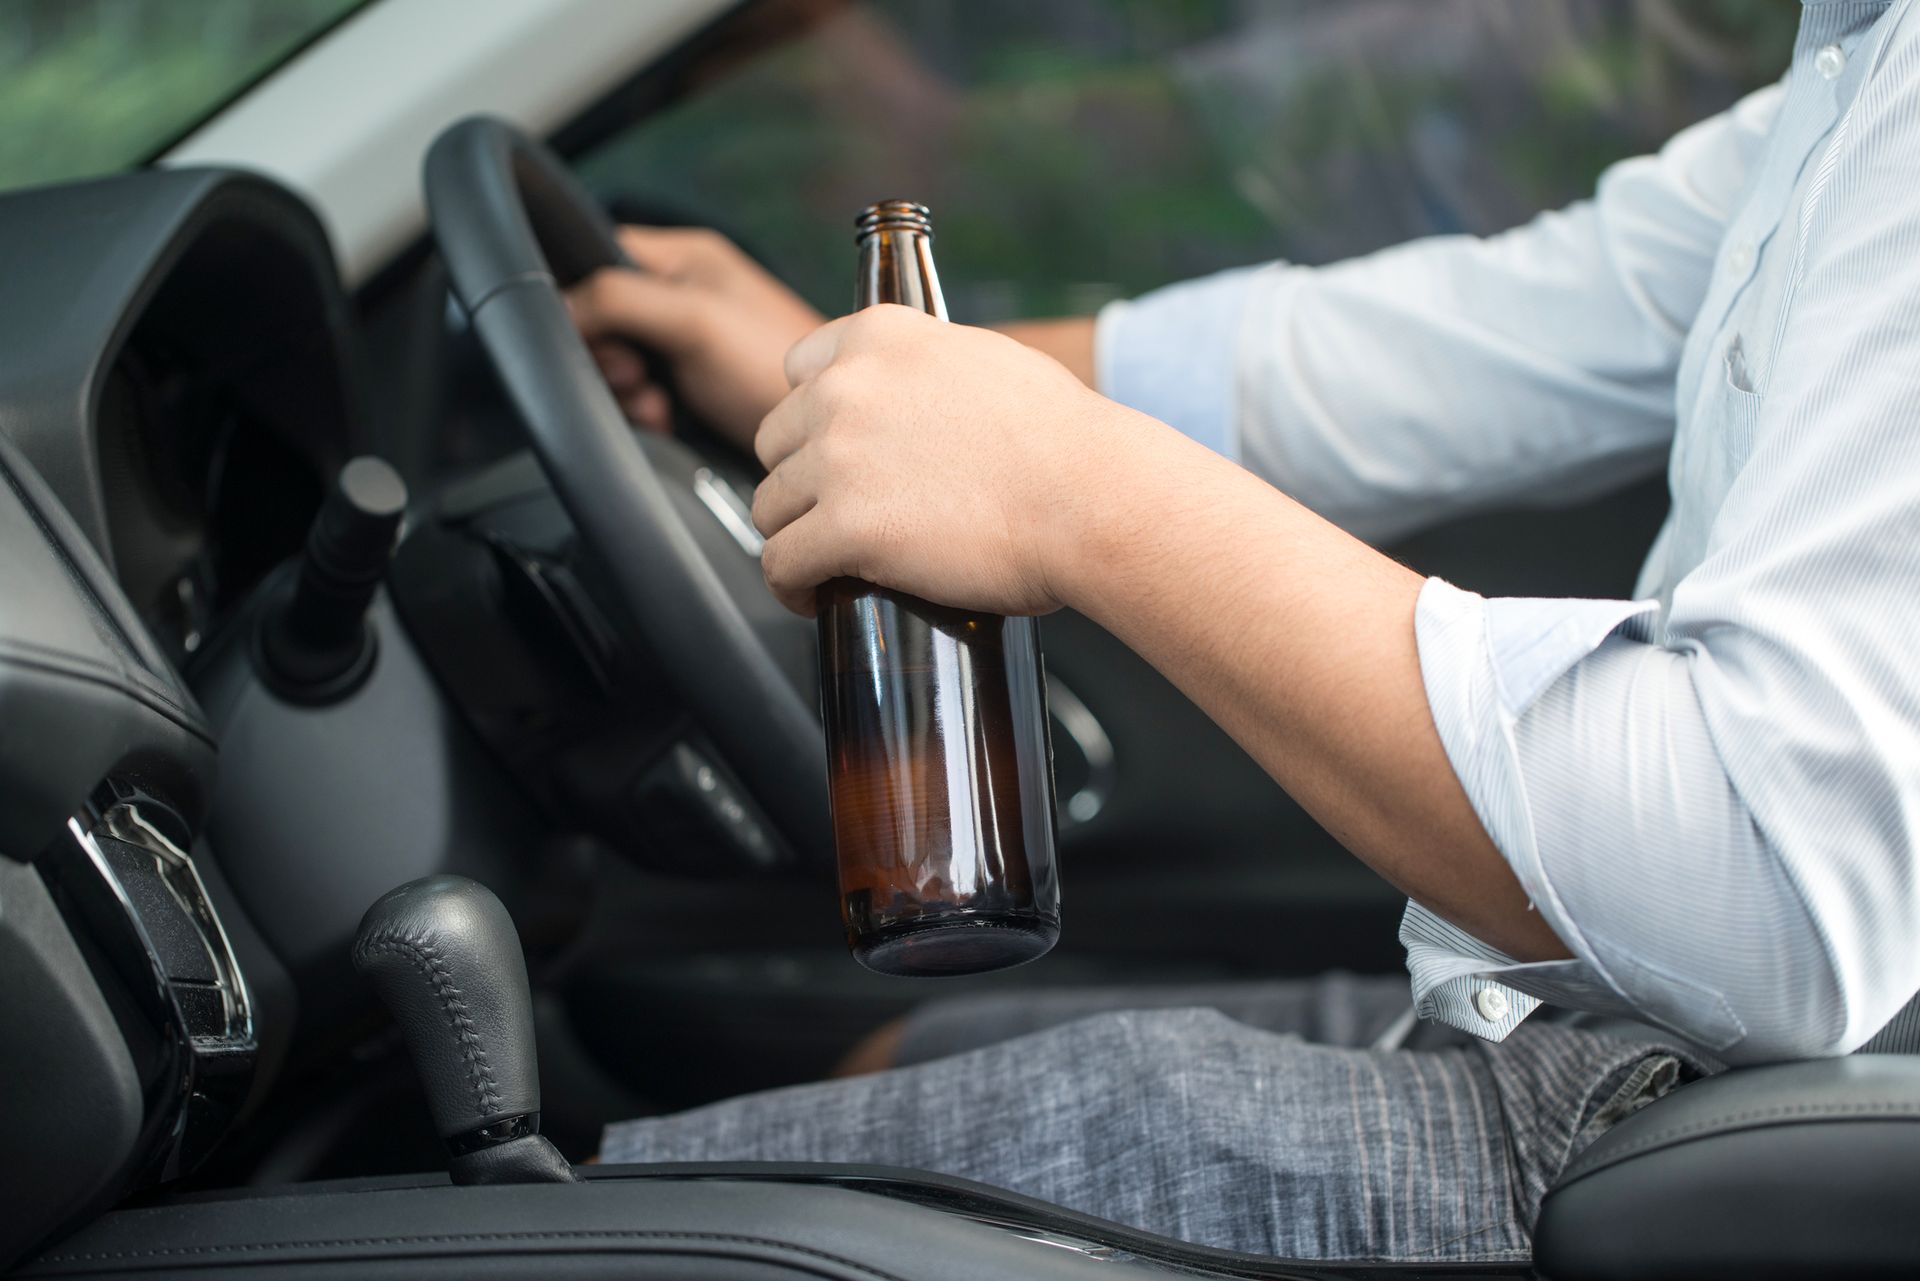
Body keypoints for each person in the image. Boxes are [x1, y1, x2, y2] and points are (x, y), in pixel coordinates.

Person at [569, 1, 1920, 1262]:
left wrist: (1069, 489)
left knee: (668, 1230)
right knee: (899, 1068)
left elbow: (1763, 884)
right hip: (1611, 1043)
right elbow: (1446, 344)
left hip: (1699, 1134)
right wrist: (886, 382)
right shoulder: (1856, 64)